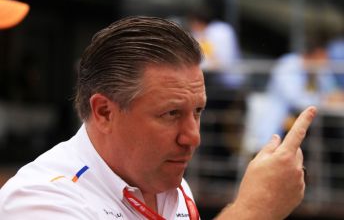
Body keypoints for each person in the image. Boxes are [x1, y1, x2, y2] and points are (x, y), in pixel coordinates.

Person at [0, 16, 317, 219]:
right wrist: (254, 210)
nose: (193, 136)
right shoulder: (41, 199)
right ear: (105, 112)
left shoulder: (167, 184)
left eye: (198, 111)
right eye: (171, 113)